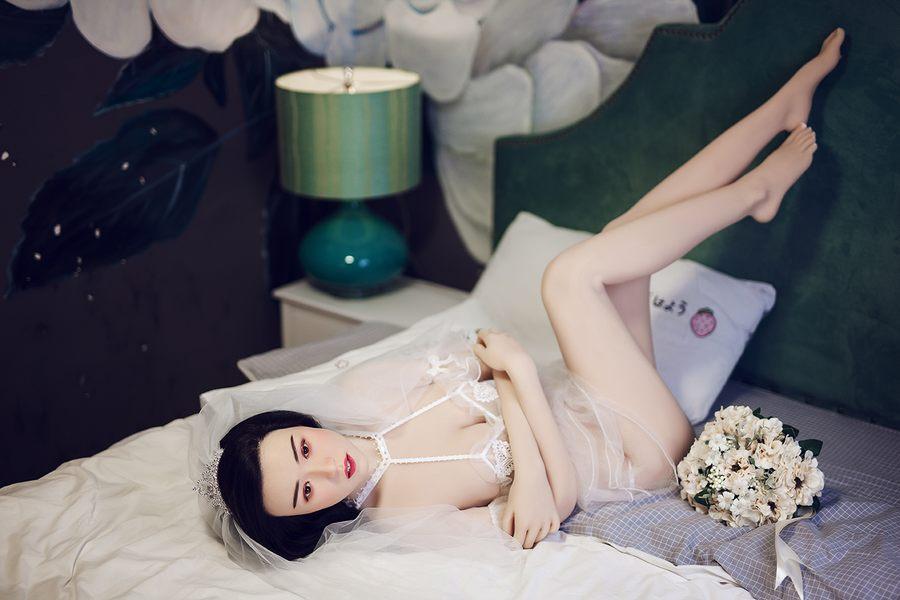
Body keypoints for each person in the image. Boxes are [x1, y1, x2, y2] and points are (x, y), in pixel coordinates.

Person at [189, 26, 844, 591]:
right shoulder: (399, 520)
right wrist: (520, 380)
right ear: (308, 518)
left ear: (302, 425)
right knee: (569, 277)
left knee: (621, 240)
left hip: (595, 395)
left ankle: (776, 114)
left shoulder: (364, 394)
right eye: (306, 491)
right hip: (636, 453)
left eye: (303, 447)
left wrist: (515, 397)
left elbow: (485, 347)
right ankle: (755, 192)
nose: (327, 467)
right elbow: (551, 500)